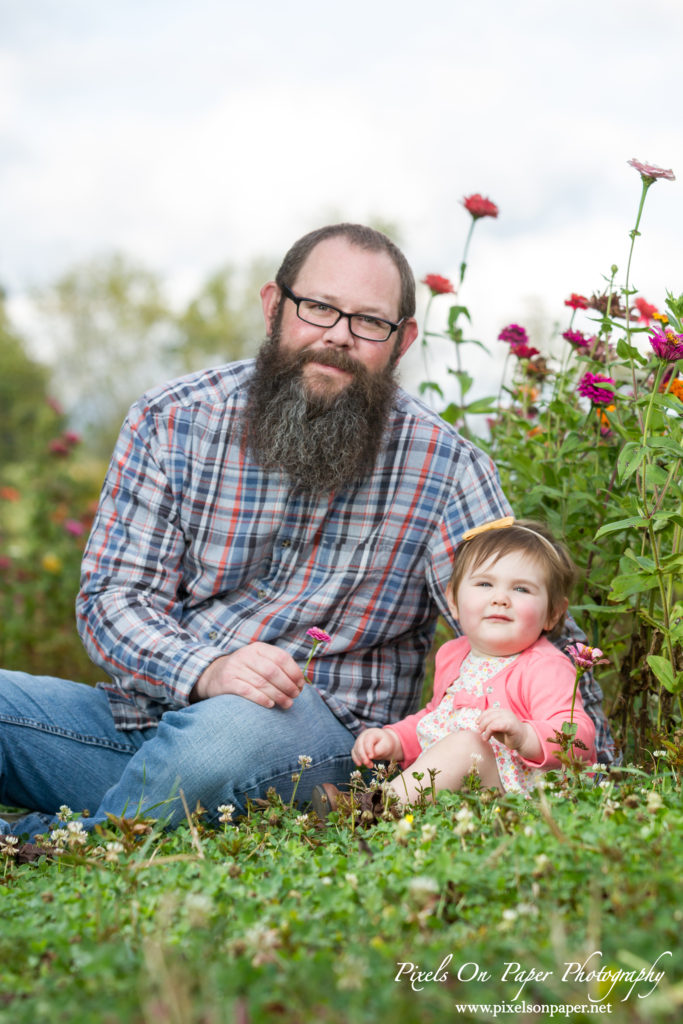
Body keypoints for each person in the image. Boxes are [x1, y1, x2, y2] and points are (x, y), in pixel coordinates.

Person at [0, 224, 613, 843]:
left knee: (223, 742)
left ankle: (56, 843)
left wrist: (585, 757)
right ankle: (137, 812)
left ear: (401, 342)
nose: (338, 336)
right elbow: (112, 599)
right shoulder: (172, 421)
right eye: (317, 307)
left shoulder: (446, 467)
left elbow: (525, 615)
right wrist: (207, 669)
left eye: (369, 322)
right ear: (274, 307)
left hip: (314, 745)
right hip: (142, 719)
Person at [312, 520, 596, 818]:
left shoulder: (546, 666)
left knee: (467, 745)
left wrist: (527, 736)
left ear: (552, 613)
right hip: (470, 793)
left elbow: (579, 736)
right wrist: (395, 740)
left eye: (521, 588)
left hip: (523, 798)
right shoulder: (454, 655)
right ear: (453, 601)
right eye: (485, 584)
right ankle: (400, 811)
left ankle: (370, 810)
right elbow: (437, 718)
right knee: (459, 743)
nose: (500, 598)